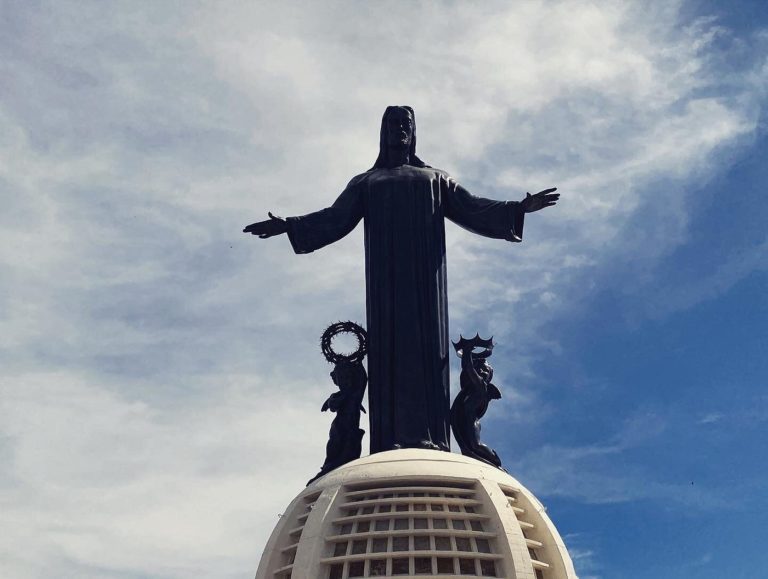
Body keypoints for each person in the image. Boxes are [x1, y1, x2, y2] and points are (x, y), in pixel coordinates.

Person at [244, 106, 559, 454]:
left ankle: (434, 440)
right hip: (385, 281)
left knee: (425, 349)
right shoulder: (367, 182)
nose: (399, 130)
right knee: (390, 350)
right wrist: (289, 225)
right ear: (383, 131)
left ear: (414, 132)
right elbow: (335, 218)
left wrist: (517, 208)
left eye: (405, 124)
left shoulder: (435, 179)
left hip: (427, 283)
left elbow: (473, 208)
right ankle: (388, 441)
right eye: (393, 124)